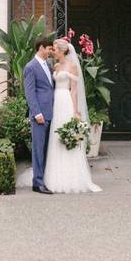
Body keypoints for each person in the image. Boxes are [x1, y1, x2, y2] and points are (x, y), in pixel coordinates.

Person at [43, 38, 102, 194]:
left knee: (66, 133)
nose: (52, 52)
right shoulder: (55, 66)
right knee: (56, 137)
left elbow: (74, 90)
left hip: (66, 101)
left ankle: (72, 176)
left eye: (54, 49)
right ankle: (54, 176)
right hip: (56, 102)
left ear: (62, 50)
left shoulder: (72, 67)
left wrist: (75, 111)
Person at [22, 36, 55, 194]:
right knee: (38, 149)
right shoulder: (31, 66)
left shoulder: (47, 65)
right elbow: (30, 93)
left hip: (51, 112)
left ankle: (43, 179)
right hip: (40, 115)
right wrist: (36, 113)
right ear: (41, 47)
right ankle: (38, 183)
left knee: (46, 149)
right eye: (49, 49)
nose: (50, 52)